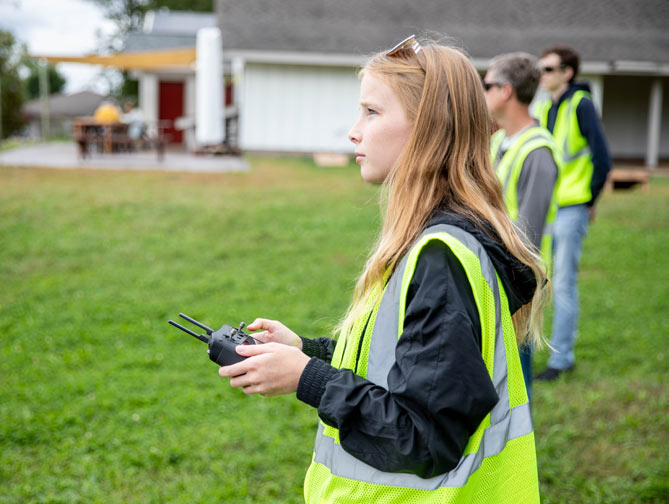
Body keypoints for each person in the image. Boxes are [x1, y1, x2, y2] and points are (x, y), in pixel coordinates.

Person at [218, 36, 546, 503]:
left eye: (371, 112)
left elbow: (424, 434)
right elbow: (407, 362)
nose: (354, 131)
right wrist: (305, 350)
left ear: (428, 127)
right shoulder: (430, 242)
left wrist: (306, 376)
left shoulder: (442, 257)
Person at [483, 52, 560, 399]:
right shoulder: (500, 141)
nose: (481, 93)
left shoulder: (537, 151)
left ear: (506, 91)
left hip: (517, 282)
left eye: (487, 85)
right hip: (493, 273)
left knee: (515, 387)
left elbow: (527, 237)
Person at [534, 45, 612, 382]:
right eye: (541, 69)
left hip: (571, 208)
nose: (543, 75)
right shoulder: (543, 108)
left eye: (549, 69)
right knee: (539, 281)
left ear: (567, 73)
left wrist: (588, 200)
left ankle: (561, 359)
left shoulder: (580, 105)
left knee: (563, 284)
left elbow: (602, 158)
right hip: (547, 208)